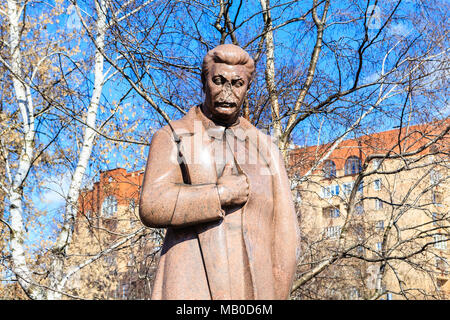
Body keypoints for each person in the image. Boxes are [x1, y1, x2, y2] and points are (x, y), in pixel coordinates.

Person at [139, 44, 300, 300]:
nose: (227, 91)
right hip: (194, 285)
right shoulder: (174, 136)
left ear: (247, 88)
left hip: (254, 291)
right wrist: (220, 194)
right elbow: (152, 204)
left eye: (237, 83)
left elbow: (285, 232)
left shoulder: (266, 149)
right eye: (218, 81)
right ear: (204, 83)